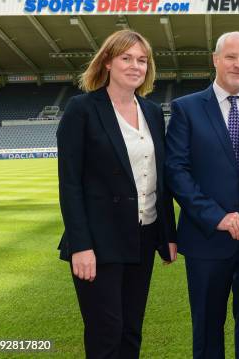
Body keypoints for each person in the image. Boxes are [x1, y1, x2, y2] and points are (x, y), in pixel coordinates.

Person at [57, 29, 177, 358]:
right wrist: (81, 246)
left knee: (130, 330)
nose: (135, 65)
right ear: (108, 62)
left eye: (142, 59)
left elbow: (159, 178)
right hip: (99, 240)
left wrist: (168, 233)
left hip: (144, 235)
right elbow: (69, 184)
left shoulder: (152, 112)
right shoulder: (81, 109)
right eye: (126, 58)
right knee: (105, 332)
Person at [165, 31, 239, 359]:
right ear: (215, 59)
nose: (238, 64)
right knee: (208, 329)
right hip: (206, 241)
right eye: (231, 56)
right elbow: (176, 172)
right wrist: (217, 216)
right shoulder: (186, 109)